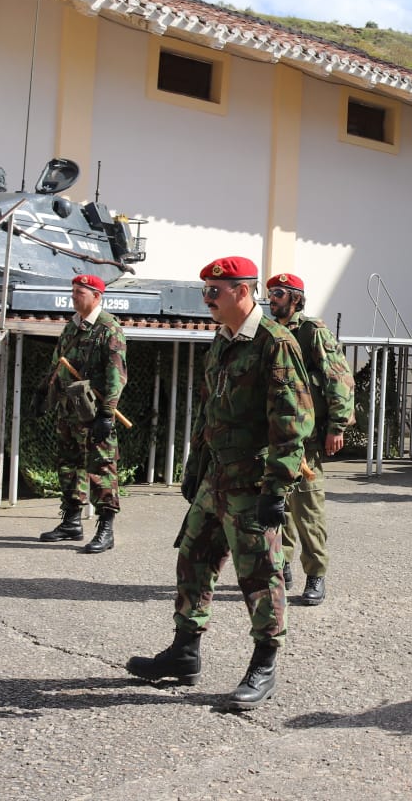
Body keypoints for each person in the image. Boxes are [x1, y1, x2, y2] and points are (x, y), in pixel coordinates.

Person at [126, 257, 314, 710]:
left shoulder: (275, 343)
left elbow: (292, 422)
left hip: (252, 480)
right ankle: (184, 653)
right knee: (194, 558)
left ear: (242, 291)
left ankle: (264, 665)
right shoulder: (223, 339)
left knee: (260, 576)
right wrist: (195, 465)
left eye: (215, 290)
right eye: (205, 290)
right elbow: (209, 408)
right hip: (216, 476)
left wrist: (277, 488)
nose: (207, 299)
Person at [266, 272, 355, 607]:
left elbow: (339, 379)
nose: (272, 298)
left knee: (307, 508)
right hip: (276, 434)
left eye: (278, 293)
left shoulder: (311, 331)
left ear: (295, 298)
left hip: (307, 436)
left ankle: (315, 574)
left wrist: (337, 427)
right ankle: (282, 565)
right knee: (277, 504)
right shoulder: (270, 332)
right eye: (270, 292)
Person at [35, 274, 128, 553]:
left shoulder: (108, 328)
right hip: (69, 410)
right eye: (73, 291)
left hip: (94, 411)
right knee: (69, 465)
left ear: (96, 296)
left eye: (80, 292)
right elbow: (58, 363)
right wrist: (43, 392)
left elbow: (117, 374)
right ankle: (72, 522)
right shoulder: (72, 326)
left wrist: (107, 413)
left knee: (102, 467)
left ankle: (106, 528)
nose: (74, 296)